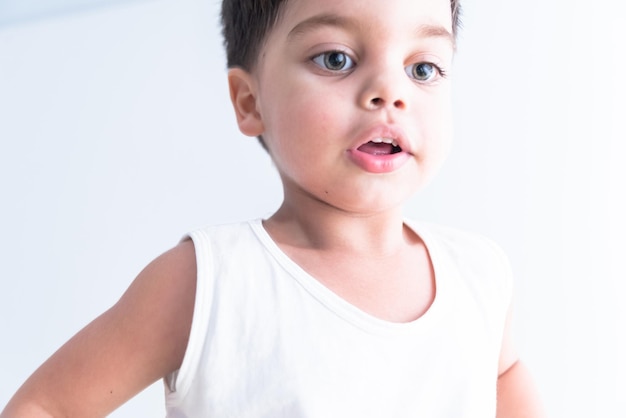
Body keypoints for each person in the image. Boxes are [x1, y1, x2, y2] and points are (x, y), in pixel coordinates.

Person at [2, 0, 546, 416]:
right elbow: (44, 408)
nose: (389, 91)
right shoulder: (210, 281)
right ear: (249, 101)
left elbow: (505, 373)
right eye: (337, 59)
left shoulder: (480, 274)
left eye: (423, 69)